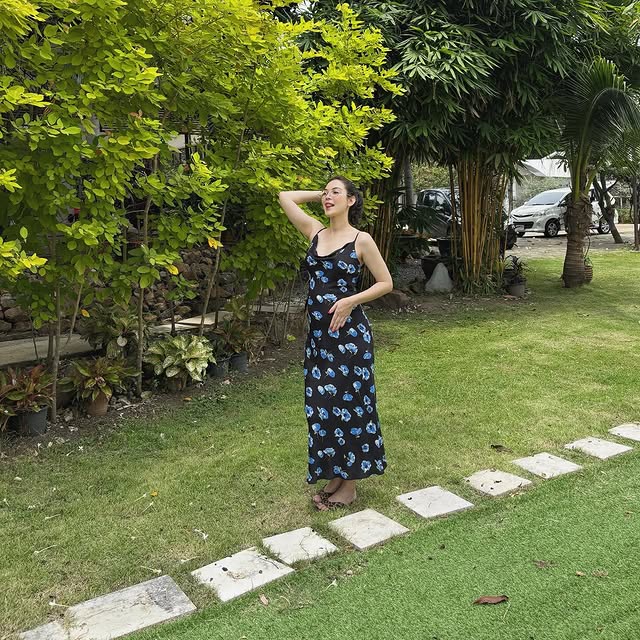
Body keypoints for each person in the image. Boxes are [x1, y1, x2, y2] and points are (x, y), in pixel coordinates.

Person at [279, 177, 393, 510]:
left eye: (336, 193)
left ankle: (350, 486)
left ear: (352, 200)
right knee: (321, 407)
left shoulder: (361, 240)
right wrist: (321, 195)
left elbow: (385, 282)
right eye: (326, 193)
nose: (328, 197)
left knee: (352, 409)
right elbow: (285, 196)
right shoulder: (315, 232)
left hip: (350, 340)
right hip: (319, 339)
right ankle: (335, 474)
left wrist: (350, 301)